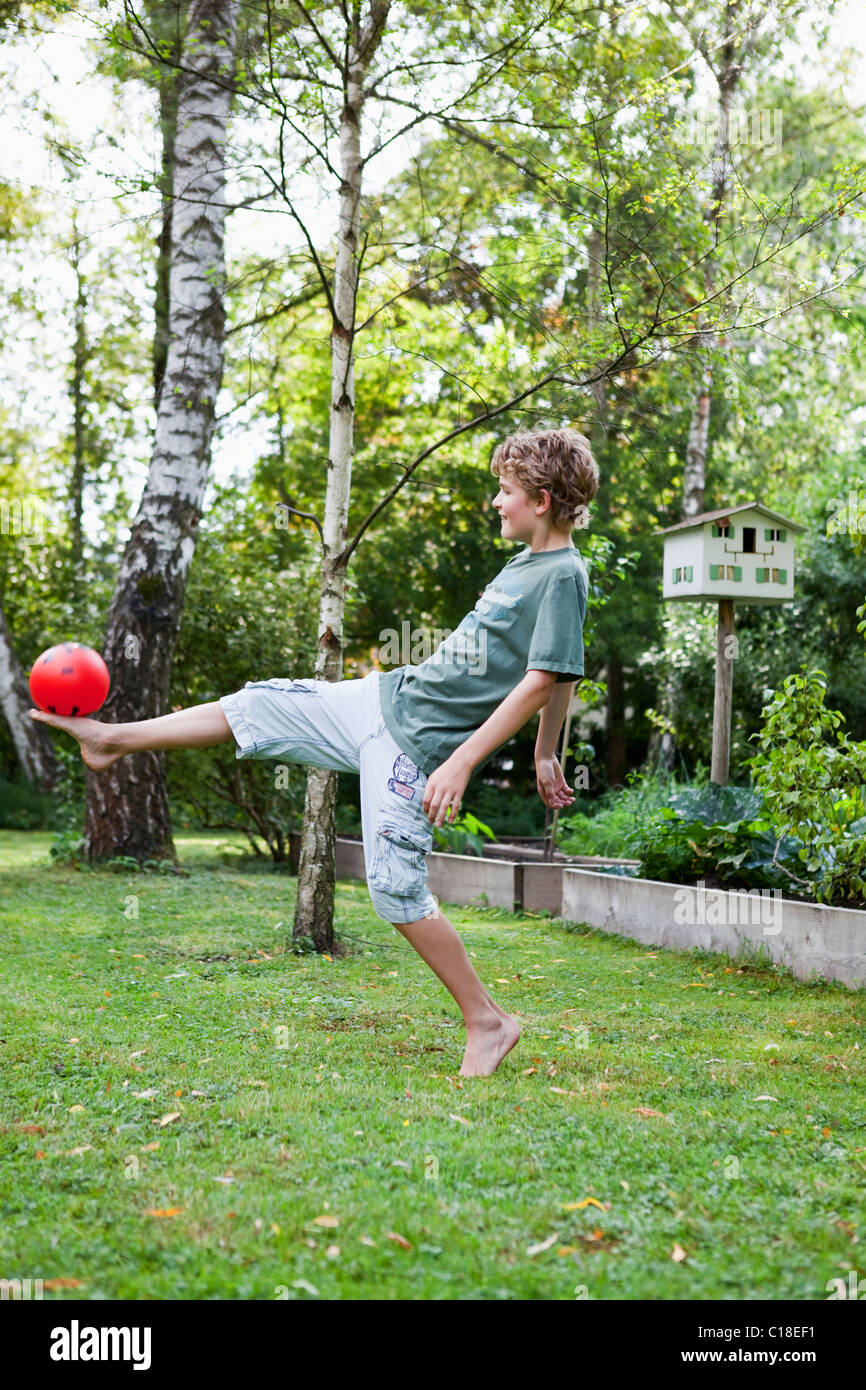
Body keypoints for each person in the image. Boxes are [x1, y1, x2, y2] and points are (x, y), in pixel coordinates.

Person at [29, 425, 599, 1078]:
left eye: (505, 491)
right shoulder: (527, 563)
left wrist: (466, 759)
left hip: (417, 748)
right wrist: (545, 754)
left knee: (394, 889)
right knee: (262, 704)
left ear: (543, 500)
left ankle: (488, 1021)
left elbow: (545, 676)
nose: (497, 503)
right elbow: (555, 668)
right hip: (386, 699)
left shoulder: (563, 573)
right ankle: (112, 740)